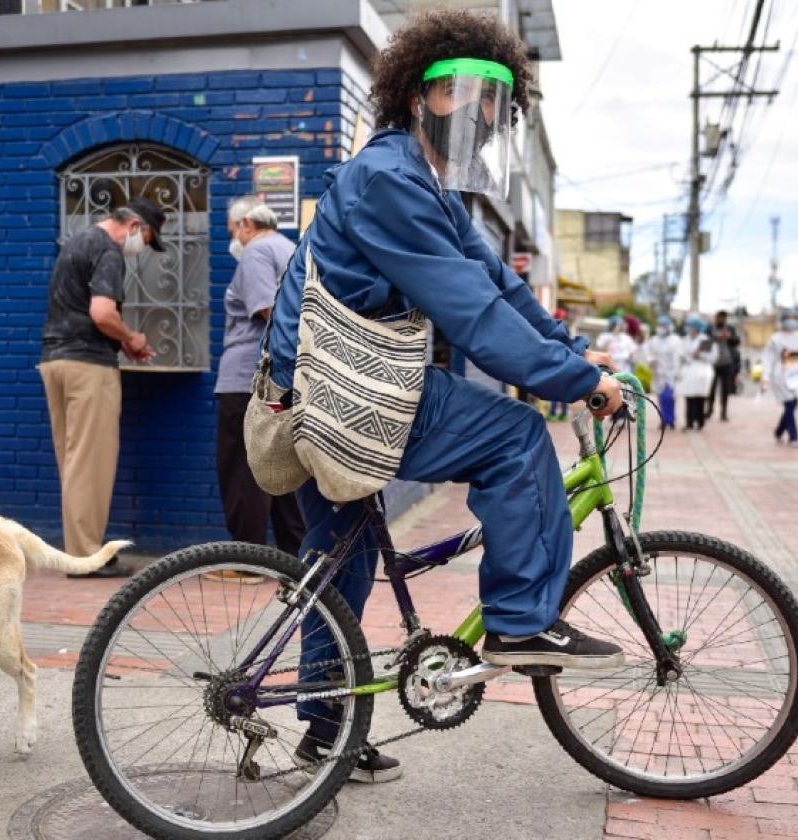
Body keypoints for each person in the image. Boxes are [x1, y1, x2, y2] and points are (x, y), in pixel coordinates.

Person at [262, 10, 625, 781]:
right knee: (518, 439)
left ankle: (324, 733)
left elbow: (500, 287)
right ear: (422, 93)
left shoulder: (426, 186)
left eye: (498, 99)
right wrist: (574, 384)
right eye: (467, 91)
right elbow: (474, 314)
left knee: (341, 562)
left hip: (327, 388)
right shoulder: (389, 178)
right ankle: (522, 623)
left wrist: (572, 353)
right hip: (344, 391)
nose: (484, 112)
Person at [37, 198, 163, 577]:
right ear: (136, 226)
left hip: (55, 360)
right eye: (148, 237)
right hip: (88, 365)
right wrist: (132, 337)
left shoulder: (77, 241)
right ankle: (86, 557)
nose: (141, 246)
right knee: (91, 464)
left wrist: (120, 341)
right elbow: (102, 313)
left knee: (73, 463)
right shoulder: (108, 250)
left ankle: (79, 552)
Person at [212, 197, 306, 582]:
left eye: (233, 229)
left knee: (242, 467)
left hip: (246, 378)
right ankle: (293, 559)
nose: (233, 237)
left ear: (247, 224)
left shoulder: (255, 251)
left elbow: (268, 309)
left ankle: (247, 561)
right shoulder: (291, 249)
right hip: (283, 378)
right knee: (282, 465)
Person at [763, 311, 798, 447]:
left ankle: (779, 431)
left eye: (793, 318)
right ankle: (794, 437)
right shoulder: (775, 339)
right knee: (789, 404)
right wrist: (765, 378)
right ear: (782, 320)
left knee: (792, 405)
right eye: (788, 318)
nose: (791, 321)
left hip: (797, 374)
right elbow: (768, 359)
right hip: (780, 375)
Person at [677, 314, 718, 431]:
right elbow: (681, 353)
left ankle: (700, 422)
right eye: (689, 327)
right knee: (689, 398)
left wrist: (699, 354)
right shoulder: (685, 340)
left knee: (700, 398)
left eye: (692, 328)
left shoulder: (705, 340)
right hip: (689, 371)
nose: (690, 330)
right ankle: (689, 423)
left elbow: (711, 358)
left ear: (698, 329)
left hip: (702, 372)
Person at [645, 314, 683, 430]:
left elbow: (678, 357)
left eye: (663, 326)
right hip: (658, 373)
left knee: (670, 398)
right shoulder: (654, 340)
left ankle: (670, 420)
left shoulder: (675, 340)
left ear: (669, 327)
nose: (661, 328)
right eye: (659, 325)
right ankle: (663, 421)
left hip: (671, 373)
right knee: (661, 398)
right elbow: (648, 353)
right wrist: (651, 361)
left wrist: (676, 372)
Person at [705, 310, 741, 422]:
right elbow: (704, 344)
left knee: (725, 389)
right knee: (711, 389)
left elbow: (737, 342)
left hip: (727, 363)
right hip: (712, 364)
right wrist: (715, 337)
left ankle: (724, 412)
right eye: (719, 317)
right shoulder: (710, 328)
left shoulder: (730, 328)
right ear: (716, 318)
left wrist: (729, 337)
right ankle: (709, 411)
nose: (721, 320)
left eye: (723, 318)